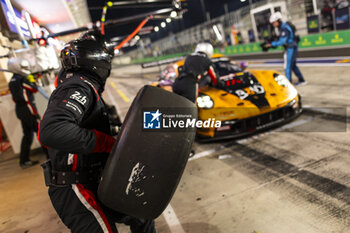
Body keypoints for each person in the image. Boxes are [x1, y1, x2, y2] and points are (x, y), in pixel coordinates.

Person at [38, 31, 156, 233]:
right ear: (99, 61)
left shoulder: (81, 85)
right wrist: (107, 142)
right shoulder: (79, 86)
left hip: (93, 180)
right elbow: (52, 131)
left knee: (140, 214)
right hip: (76, 188)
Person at [8, 57, 43, 168]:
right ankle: (52, 157)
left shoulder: (12, 81)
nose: (26, 69)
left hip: (20, 110)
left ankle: (24, 160)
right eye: (23, 67)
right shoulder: (22, 79)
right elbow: (34, 88)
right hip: (28, 110)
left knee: (27, 136)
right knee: (41, 132)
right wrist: (32, 80)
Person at [267, 12, 307, 86]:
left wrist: (271, 44)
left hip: (291, 48)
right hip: (293, 46)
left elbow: (282, 41)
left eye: (274, 23)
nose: (273, 25)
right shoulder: (284, 26)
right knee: (293, 65)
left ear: (278, 21)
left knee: (288, 66)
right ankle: (302, 80)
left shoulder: (284, 28)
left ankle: (288, 84)